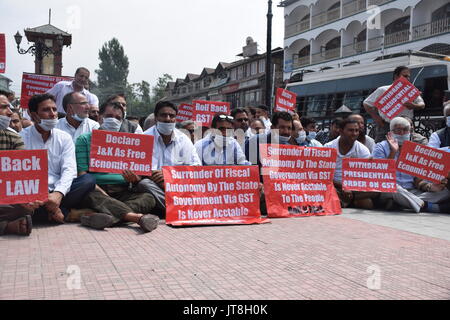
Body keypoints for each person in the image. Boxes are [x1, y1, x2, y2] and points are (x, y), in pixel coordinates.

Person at [75, 101, 159, 232]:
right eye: (109, 116)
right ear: (100, 117)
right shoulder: (84, 140)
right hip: (96, 190)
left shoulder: (130, 142)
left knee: (148, 198)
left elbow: (138, 177)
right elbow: (82, 174)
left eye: (118, 118)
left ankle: (94, 217)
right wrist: (104, 195)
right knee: (92, 196)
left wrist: (135, 179)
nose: (113, 120)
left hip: (122, 191)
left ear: (122, 121)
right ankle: (136, 218)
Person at [20, 93, 96, 224]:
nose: (52, 114)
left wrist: (58, 194)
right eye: (46, 110)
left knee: (88, 180)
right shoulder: (21, 138)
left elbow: (69, 169)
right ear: (33, 115)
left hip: (59, 191)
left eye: (54, 109)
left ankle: (51, 212)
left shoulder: (64, 138)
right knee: (21, 204)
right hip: (32, 192)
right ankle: (63, 213)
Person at [138, 101, 201, 217]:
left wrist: (169, 175)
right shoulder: (144, 138)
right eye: (163, 115)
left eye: (171, 116)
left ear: (175, 119)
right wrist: (159, 177)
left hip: (179, 185)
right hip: (155, 186)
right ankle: (179, 210)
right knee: (144, 184)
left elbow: (196, 167)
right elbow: (140, 168)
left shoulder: (184, 139)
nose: (167, 119)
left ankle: (173, 209)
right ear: (156, 118)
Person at [0, 94, 42, 236]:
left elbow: (21, 176)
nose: (10, 112)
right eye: (4, 107)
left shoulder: (13, 137)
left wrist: (25, 198)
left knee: (26, 208)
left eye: (9, 107)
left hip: (4, 197)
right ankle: (6, 227)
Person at [324, 118, 378, 209]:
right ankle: (347, 200)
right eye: (350, 130)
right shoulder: (328, 147)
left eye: (356, 130)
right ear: (341, 131)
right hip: (334, 186)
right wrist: (342, 186)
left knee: (375, 192)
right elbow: (323, 175)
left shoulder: (362, 150)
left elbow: (366, 176)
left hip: (354, 188)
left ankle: (347, 200)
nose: (354, 134)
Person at [363, 66, 425, 143]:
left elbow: (422, 105)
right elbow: (366, 103)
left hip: (406, 126)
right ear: (396, 76)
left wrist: (413, 105)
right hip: (387, 126)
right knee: (382, 149)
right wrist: (376, 118)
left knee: (407, 148)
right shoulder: (383, 90)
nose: (408, 79)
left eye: (409, 77)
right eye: (405, 76)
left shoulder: (410, 90)